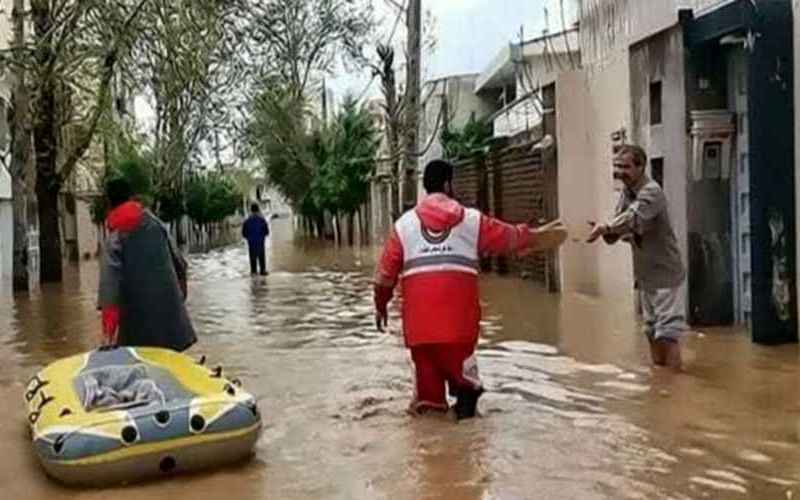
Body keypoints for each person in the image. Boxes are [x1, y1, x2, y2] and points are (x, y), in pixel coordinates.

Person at [373, 159, 568, 420]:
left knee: (428, 405)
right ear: (448, 184)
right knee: (468, 391)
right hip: (459, 329)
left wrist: (381, 306)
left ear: (425, 186)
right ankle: (464, 443)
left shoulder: (403, 227)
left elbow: (384, 278)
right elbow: (510, 238)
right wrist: (539, 236)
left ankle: (433, 453)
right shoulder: (471, 221)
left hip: (419, 332)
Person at [586, 144, 686, 369]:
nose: (619, 171)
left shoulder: (652, 191)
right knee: (651, 330)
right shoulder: (627, 192)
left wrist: (606, 228)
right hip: (645, 274)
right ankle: (661, 380)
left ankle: (676, 386)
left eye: (625, 167)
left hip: (665, 273)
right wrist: (606, 230)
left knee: (667, 333)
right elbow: (617, 227)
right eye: (616, 166)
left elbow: (631, 218)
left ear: (641, 167)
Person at [98, 176, 197, 351]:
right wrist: (178, 301)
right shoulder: (156, 224)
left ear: (109, 203)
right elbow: (180, 264)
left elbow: (109, 291)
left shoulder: (114, 239)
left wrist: (108, 338)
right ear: (132, 197)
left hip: (139, 333)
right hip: (173, 324)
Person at [242, 203, 270, 276]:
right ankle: (262, 271)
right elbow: (267, 232)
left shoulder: (247, 221)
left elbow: (244, 233)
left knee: (252, 258)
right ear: (258, 210)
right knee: (261, 257)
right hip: (260, 242)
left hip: (251, 243)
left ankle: (253, 272)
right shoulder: (262, 220)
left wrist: (249, 238)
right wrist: (261, 236)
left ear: (250, 210)